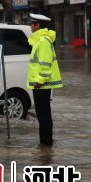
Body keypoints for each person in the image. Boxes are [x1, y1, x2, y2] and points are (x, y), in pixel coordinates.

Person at [27, 13, 63, 146]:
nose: (31, 26)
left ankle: (46, 143)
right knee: (43, 114)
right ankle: (45, 141)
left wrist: (39, 81)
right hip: (40, 84)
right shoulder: (40, 40)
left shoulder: (43, 41)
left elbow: (46, 64)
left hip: (41, 85)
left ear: (38, 25)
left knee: (43, 115)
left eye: (32, 24)